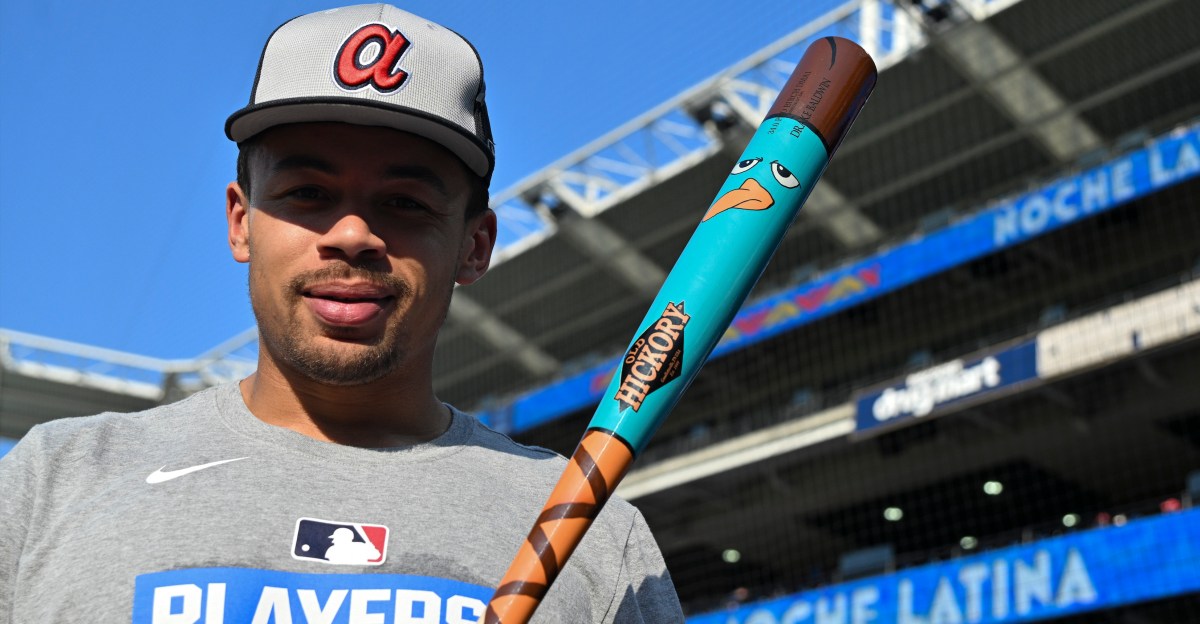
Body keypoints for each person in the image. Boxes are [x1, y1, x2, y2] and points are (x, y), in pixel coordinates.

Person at [0, 4, 683, 623]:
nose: (352, 234)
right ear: (241, 222)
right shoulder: (51, 481)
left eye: (406, 203)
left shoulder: (592, 530)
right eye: (307, 192)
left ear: (474, 247)